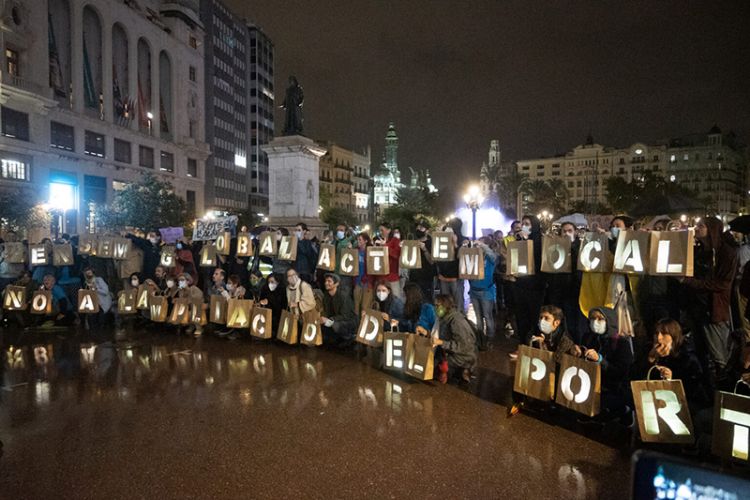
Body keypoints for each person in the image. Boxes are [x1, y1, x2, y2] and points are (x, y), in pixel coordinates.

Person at [683, 218, 738, 387]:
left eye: (701, 226)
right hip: (696, 309)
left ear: (712, 229)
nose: (697, 228)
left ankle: (722, 392)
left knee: (719, 356)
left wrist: (691, 282)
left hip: (713, 311)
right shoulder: (699, 251)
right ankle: (706, 390)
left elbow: (723, 284)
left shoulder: (726, 253)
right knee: (701, 353)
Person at [573, 307, 634, 422]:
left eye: (600, 319)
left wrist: (600, 360)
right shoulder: (588, 337)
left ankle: (620, 412)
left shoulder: (621, 343)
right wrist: (578, 353)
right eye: (592, 318)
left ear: (609, 321)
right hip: (590, 383)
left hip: (611, 387)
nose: (595, 322)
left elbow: (621, 372)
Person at [643, 318, 710, 410]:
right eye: (656, 333)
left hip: (686, 403)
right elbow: (636, 377)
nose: (659, 338)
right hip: (657, 400)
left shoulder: (687, 356)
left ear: (673, 336)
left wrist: (672, 377)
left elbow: (695, 386)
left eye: (664, 334)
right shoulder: (649, 351)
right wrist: (650, 360)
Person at [509, 215, 546, 360]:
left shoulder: (541, 242)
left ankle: (537, 349)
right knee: (521, 318)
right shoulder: (519, 240)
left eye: (527, 223)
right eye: (523, 223)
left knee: (535, 319)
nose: (524, 226)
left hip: (536, 287)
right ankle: (523, 346)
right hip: (520, 285)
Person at [547, 222, 585, 343]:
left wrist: (572, 245)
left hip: (574, 291)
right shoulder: (555, 247)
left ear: (575, 233)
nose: (567, 233)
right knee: (558, 321)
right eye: (564, 231)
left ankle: (575, 346)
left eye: (570, 231)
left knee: (574, 323)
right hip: (558, 290)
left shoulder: (581, 246)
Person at [432, 294, 477, 384]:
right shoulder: (444, 318)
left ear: (446, 306)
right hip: (449, 351)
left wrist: (441, 342)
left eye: (438, 306)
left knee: (437, 367)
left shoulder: (456, 321)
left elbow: (463, 346)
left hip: (464, 356)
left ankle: (464, 369)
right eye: (435, 305)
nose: (436, 308)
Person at [468, 237, 497, 350]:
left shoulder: (490, 259)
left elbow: (493, 256)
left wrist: (483, 246)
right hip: (474, 290)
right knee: (478, 317)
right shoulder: (474, 257)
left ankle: (490, 338)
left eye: (481, 244)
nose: (478, 246)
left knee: (487, 316)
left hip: (486, 291)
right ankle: (480, 339)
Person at [436, 218, 466, 313]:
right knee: (445, 303)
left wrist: (456, 243)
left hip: (456, 278)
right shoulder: (442, 238)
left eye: (451, 225)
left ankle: (459, 323)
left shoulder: (463, 239)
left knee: (458, 304)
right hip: (443, 276)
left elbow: (461, 257)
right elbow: (437, 255)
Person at [321, 273, 357, 346]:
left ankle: (349, 337)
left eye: (329, 281)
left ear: (336, 284)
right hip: (334, 320)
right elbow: (326, 311)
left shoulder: (343, 296)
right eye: (326, 281)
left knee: (336, 325)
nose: (326, 283)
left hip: (347, 322)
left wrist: (330, 320)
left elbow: (346, 316)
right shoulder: (326, 296)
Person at [409, 220, 436, 303]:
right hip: (414, 277)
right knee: (414, 300)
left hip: (426, 277)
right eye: (417, 227)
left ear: (427, 230)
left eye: (421, 228)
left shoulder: (432, 242)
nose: (418, 229)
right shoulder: (413, 242)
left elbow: (432, 261)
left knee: (427, 300)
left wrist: (424, 249)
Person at [375, 222, 403, 299]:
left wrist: (385, 246)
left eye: (382, 230)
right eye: (379, 230)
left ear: (389, 230)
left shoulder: (395, 240)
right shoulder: (378, 241)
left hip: (392, 277)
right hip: (381, 277)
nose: (380, 232)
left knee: (395, 300)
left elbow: (396, 255)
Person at [217, 274, 248, 340]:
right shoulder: (231, 291)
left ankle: (235, 330)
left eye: (229, 283)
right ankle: (227, 327)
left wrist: (224, 292)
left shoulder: (240, 291)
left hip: (240, 313)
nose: (227, 285)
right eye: (227, 283)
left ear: (235, 284)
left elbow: (233, 303)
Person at [352, 232, 373, 316]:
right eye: (357, 239)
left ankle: (363, 326)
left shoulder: (371, 251)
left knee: (365, 307)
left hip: (367, 283)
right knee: (356, 306)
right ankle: (356, 326)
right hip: (357, 281)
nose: (358, 241)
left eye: (360, 239)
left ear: (366, 241)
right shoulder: (355, 251)